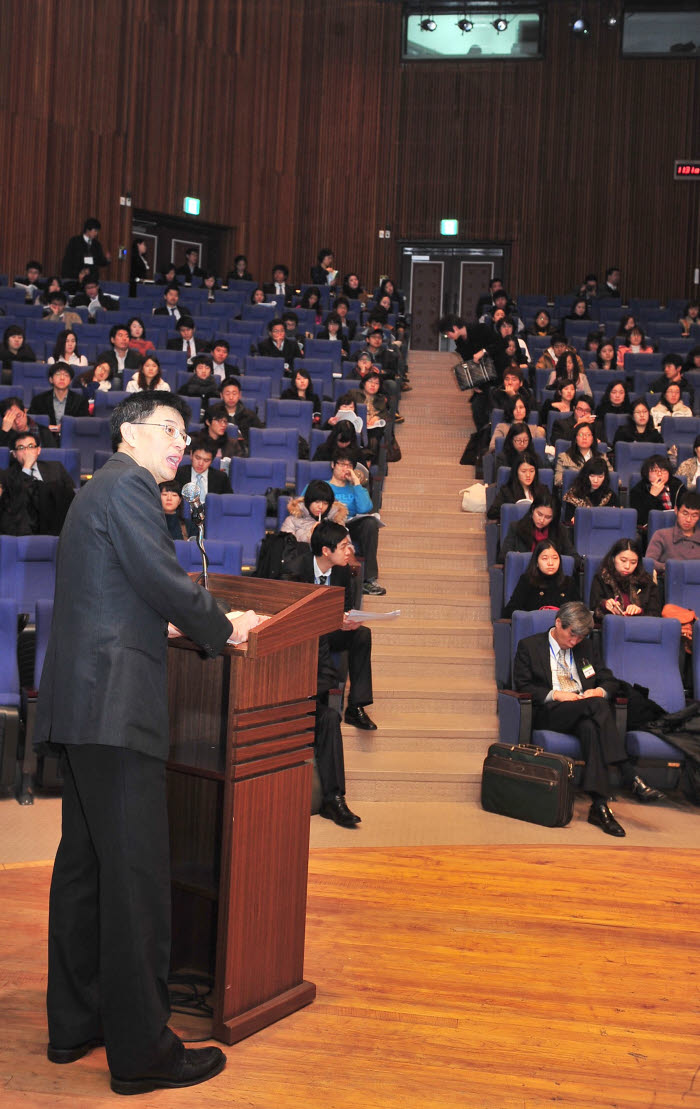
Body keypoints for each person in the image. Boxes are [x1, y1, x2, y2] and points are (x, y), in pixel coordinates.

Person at [33, 392, 234, 1093]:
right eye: (169, 429)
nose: (181, 443)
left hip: (85, 707)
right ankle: (144, 1051)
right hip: (117, 711)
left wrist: (175, 623)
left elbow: (119, 593)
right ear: (129, 430)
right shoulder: (132, 486)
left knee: (86, 873)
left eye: (185, 433)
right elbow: (162, 579)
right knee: (137, 880)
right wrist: (221, 626)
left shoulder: (99, 490)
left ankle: (77, 1021)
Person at [513, 601, 663, 839]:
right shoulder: (529, 646)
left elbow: (609, 680)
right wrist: (556, 694)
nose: (574, 642)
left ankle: (600, 806)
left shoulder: (587, 648)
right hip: (552, 711)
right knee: (597, 708)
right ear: (558, 623)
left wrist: (599, 691)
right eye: (571, 635)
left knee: (591, 726)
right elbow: (523, 685)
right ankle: (626, 771)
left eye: (580, 637)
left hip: (586, 709)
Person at [303, 519, 376, 733]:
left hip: (329, 629)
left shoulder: (342, 571)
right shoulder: (297, 568)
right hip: (303, 633)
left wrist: (347, 620)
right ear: (326, 550)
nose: (349, 551)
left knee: (362, 634)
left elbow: (346, 606)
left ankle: (356, 707)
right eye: (344, 546)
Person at [327, 450, 384, 595]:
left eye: (349, 465)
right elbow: (307, 505)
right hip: (331, 525)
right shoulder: (322, 486)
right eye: (342, 464)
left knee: (370, 523)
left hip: (351, 524)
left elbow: (365, 508)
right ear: (333, 465)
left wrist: (357, 483)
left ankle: (369, 580)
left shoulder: (355, 488)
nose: (345, 468)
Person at [0, 429, 75, 535]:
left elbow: (71, 496)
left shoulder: (56, 467)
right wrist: (26, 468)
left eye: (31, 446)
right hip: (24, 529)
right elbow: (15, 506)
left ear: (38, 450)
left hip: (57, 525)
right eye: (21, 448)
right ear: (14, 454)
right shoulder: (6, 476)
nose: (26, 452)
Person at [589, 538, 661, 623]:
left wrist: (640, 611)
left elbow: (656, 614)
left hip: (641, 628)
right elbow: (593, 609)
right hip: (612, 628)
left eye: (633, 562)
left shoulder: (646, 582)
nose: (627, 566)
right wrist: (604, 604)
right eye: (623, 560)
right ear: (613, 558)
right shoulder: (602, 578)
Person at [502, 540, 579, 618]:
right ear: (537, 562)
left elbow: (580, 612)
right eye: (545, 558)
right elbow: (510, 610)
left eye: (555, 558)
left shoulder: (568, 582)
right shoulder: (527, 580)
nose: (550, 563)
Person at [499, 491, 577, 562]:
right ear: (533, 510)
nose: (542, 520)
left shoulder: (560, 531)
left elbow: (574, 558)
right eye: (539, 514)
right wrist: (516, 557)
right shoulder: (516, 527)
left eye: (548, 517)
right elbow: (503, 556)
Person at [29, 363, 89, 437]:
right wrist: (46, 427)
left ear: (70, 381)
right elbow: (31, 422)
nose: (62, 378)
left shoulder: (81, 401)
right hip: (46, 438)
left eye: (66, 375)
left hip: (71, 437)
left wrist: (67, 427)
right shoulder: (39, 400)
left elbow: (84, 423)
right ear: (51, 379)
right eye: (58, 374)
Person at [281, 479, 348, 544]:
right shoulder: (292, 520)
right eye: (317, 502)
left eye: (325, 503)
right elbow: (285, 547)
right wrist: (310, 536)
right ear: (308, 501)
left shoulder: (337, 521)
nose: (320, 507)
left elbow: (346, 547)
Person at [646, 493, 700, 571]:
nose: (688, 520)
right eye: (685, 513)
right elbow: (649, 562)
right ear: (676, 510)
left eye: (694, 516)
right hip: (668, 579)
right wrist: (669, 568)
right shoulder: (661, 535)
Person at [629, 454, 685, 528]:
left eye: (663, 470)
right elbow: (640, 519)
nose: (659, 474)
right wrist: (652, 496)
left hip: (677, 526)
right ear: (647, 473)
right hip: (652, 529)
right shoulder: (637, 490)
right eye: (655, 471)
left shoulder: (677, 485)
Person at [487, 453, 544, 521]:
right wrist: (512, 511)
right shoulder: (507, 491)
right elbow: (491, 513)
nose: (528, 475)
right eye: (523, 471)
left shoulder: (542, 489)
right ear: (516, 472)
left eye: (532, 471)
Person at [562, 457, 619, 525]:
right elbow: (567, 522)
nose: (596, 481)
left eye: (600, 477)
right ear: (586, 475)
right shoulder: (573, 495)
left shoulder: (610, 496)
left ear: (605, 477)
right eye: (592, 476)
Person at [554, 421, 611, 486]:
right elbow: (557, 481)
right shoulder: (564, 457)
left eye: (588, 435)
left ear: (593, 439)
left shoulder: (602, 458)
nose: (584, 438)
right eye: (581, 435)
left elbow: (615, 480)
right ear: (576, 438)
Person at [61, 217, 111, 282]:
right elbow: (68, 259)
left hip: (91, 279)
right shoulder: (75, 241)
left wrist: (107, 260)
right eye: (95, 231)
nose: (96, 233)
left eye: (97, 231)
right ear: (87, 230)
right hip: (75, 277)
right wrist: (79, 272)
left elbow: (99, 261)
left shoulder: (97, 244)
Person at [219, 378, 264, 446]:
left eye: (234, 394)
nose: (231, 397)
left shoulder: (250, 416)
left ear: (240, 395)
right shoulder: (213, 414)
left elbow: (259, 439)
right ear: (221, 395)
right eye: (227, 394)